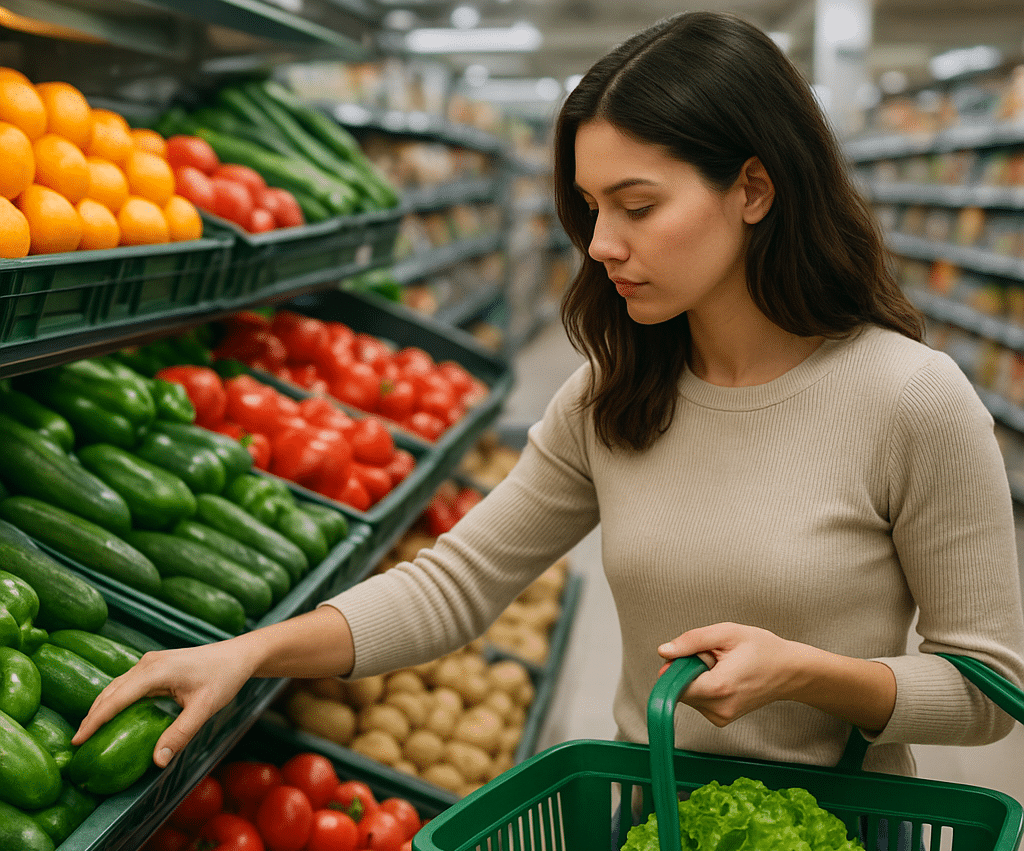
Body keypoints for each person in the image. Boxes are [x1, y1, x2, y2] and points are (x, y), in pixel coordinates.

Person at [74, 11, 1024, 783]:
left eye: (638, 206)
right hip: (644, 840)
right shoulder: (614, 395)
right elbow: (456, 584)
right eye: (592, 207)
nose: (600, 243)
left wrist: (816, 678)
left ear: (754, 189)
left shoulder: (912, 400)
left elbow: (989, 691)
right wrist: (249, 652)